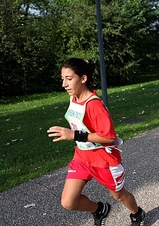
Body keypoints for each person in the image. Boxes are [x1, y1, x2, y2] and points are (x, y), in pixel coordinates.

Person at [47, 58, 145, 226]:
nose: (64, 84)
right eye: (62, 79)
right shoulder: (74, 97)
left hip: (104, 161)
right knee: (68, 202)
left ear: (83, 78)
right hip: (82, 157)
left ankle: (137, 214)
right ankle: (99, 209)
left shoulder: (94, 105)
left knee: (119, 195)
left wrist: (75, 135)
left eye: (69, 79)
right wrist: (75, 135)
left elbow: (109, 137)